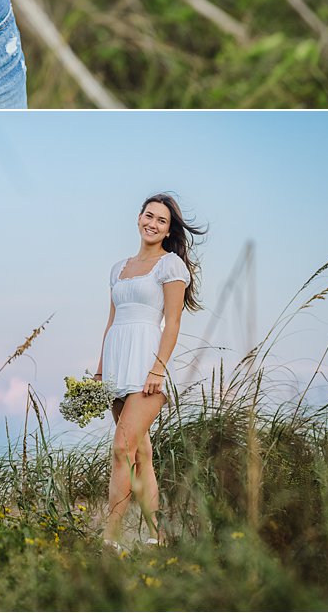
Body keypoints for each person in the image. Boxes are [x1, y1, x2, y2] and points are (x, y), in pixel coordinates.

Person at [94, 192, 205, 546]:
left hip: (146, 370)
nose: (152, 224)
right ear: (138, 217)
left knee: (121, 450)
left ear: (169, 230)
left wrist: (157, 370)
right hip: (116, 367)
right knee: (141, 454)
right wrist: (99, 374)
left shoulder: (171, 265)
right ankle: (156, 537)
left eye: (161, 220)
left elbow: (172, 323)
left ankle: (109, 540)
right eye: (149, 216)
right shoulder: (119, 268)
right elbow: (111, 322)